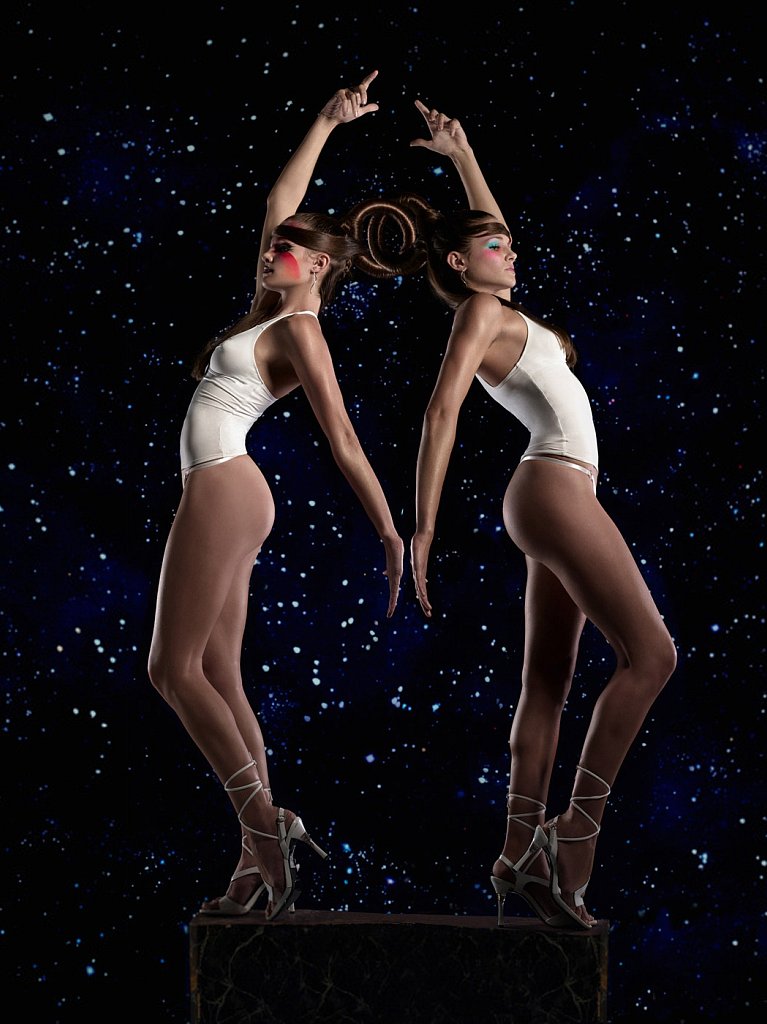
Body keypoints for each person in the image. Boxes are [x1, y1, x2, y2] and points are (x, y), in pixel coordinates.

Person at [387, 99, 677, 928]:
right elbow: (441, 411)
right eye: (494, 248)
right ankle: (573, 841)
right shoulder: (478, 312)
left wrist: (462, 152)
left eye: (510, 246)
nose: (510, 251)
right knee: (651, 657)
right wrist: (423, 527)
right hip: (553, 488)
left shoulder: (505, 307)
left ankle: (517, 852)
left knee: (546, 682)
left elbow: (493, 233)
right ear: (459, 263)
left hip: (551, 492)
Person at [147, 70, 404, 923]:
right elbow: (278, 202)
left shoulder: (299, 328)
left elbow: (343, 439)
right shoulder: (269, 308)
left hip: (225, 487)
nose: (269, 250)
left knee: (171, 669)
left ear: (320, 266)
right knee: (217, 673)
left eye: (287, 249)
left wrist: (390, 533)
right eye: (272, 246)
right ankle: (255, 862)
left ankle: (266, 830)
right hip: (225, 488)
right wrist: (326, 122)